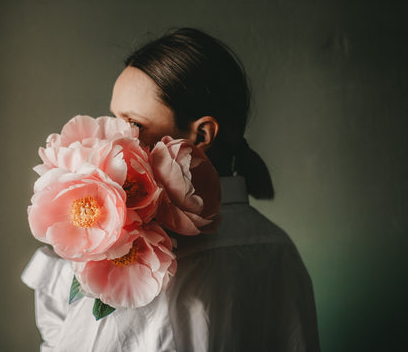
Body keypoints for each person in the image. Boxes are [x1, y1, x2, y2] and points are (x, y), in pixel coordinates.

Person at [22, 27, 320, 351]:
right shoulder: (277, 248)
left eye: (133, 124)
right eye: (113, 118)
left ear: (202, 136)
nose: (113, 137)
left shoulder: (146, 258)